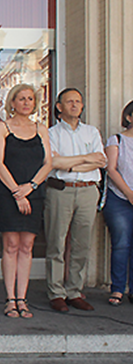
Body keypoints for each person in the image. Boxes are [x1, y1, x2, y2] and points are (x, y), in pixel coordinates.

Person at [0, 84, 52, 319]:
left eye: (30, 99)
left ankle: (22, 299)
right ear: (12, 102)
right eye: (21, 98)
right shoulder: (2, 127)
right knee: (11, 246)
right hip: (9, 194)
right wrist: (18, 192)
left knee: (27, 247)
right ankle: (10, 299)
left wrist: (31, 187)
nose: (26, 102)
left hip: (34, 192)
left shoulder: (41, 129)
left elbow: (48, 163)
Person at [45, 88, 106, 312]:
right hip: (62, 190)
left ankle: (74, 291)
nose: (74, 105)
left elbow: (100, 160)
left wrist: (73, 163)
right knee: (56, 243)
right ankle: (56, 292)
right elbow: (53, 162)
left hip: (88, 190)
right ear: (59, 107)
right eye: (69, 101)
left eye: (78, 102)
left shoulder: (91, 132)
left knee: (82, 243)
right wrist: (85, 158)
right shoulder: (52, 133)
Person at [102, 100, 133, 307]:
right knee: (121, 244)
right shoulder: (117, 140)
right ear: (129, 117)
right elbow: (111, 169)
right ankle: (118, 288)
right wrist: (129, 193)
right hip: (119, 199)